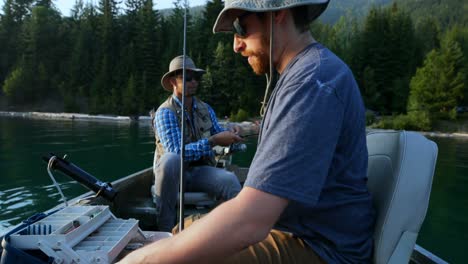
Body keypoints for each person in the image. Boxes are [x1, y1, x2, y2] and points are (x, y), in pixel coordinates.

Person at [120, 0, 375, 263]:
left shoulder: (311, 83)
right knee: (178, 233)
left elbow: (251, 222)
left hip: (319, 247)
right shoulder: (303, 76)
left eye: (241, 27)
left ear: (277, 14)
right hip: (294, 229)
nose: (236, 45)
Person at [151, 55, 243, 232]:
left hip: (200, 171)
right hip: (174, 176)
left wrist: (234, 136)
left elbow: (220, 139)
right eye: (187, 78)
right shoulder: (165, 112)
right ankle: (165, 229)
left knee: (230, 180)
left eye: (196, 78)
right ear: (173, 82)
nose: (194, 82)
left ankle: (229, 233)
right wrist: (213, 141)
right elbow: (176, 152)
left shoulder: (205, 109)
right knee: (170, 160)